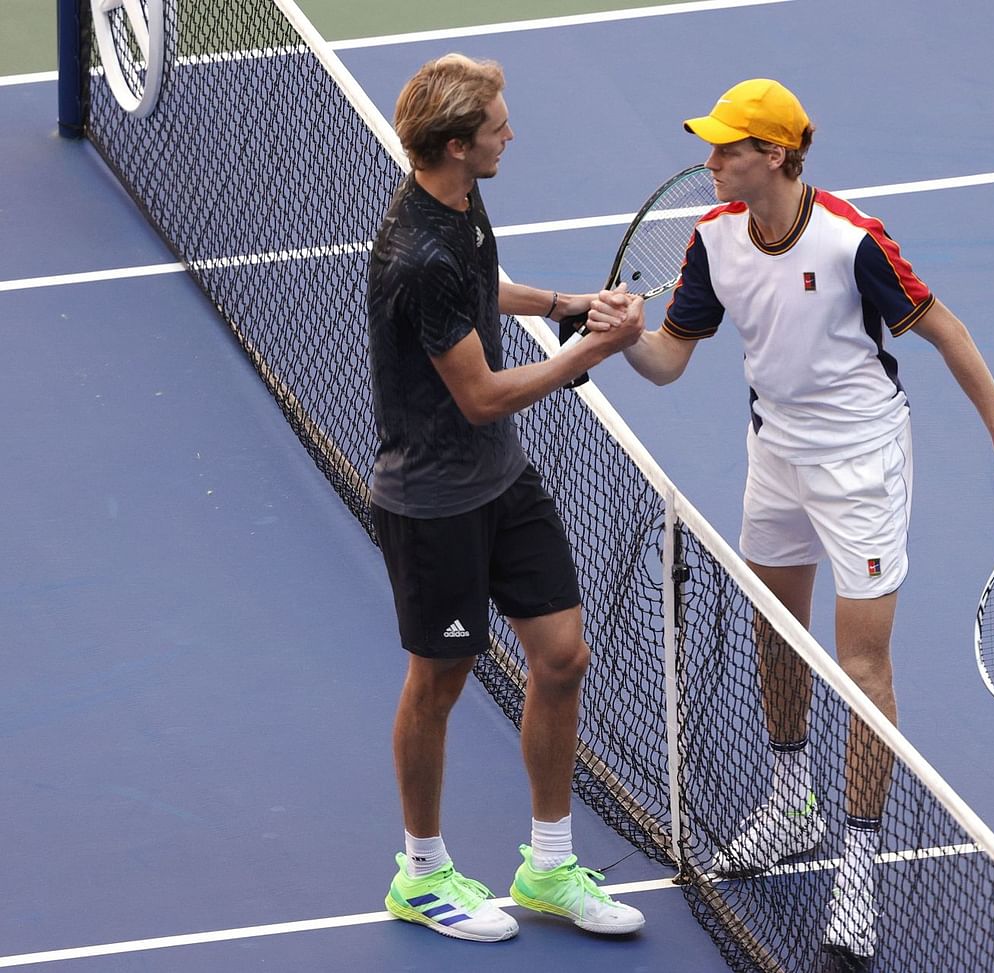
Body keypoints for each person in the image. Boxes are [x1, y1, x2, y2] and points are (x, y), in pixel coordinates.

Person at [620, 78, 994, 968]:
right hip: (774, 453)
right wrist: (619, 333)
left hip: (862, 466)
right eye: (711, 146)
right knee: (776, 631)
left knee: (860, 668)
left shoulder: (853, 240)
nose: (710, 161)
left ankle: (856, 860)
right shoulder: (714, 240)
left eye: (728, 148)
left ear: (774, 154)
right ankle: (790, 803)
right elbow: (666, 363)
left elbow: (948, 333)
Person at [367, 54, 647, 944]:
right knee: (439, 684)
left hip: (501, 478)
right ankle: (418, 873)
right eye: (497, 126)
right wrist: (590, 353)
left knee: (562, 657)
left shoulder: (456, 199)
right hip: (434, 503)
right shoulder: (418, 255)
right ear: (457, 145)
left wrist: (567, 302)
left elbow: (482, 287)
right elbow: (482, 393)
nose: (511, 133)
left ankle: (548, 863)